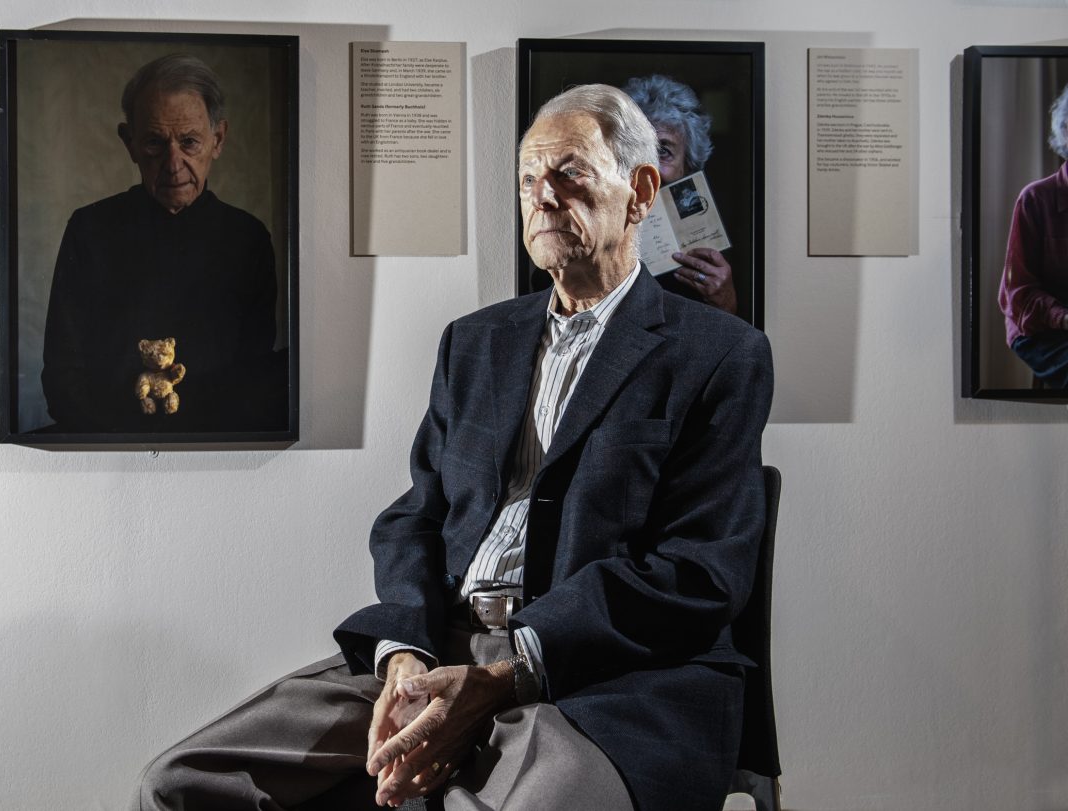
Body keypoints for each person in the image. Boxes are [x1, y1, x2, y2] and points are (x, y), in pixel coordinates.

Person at [134, 84, 773, 811]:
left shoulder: (719, 354)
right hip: (439, 648)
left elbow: (700, 571)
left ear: (642, 192)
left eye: (569, 172)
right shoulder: (476, 342)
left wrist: (511, 669)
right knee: (179, 783)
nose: (542, 195)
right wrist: (405, 650)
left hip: (608, 684)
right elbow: (415, 517)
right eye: (529, 178)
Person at [41, 54, 282, 433]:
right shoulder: (89, 229)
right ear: (130, 143)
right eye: (155, 142)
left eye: (189, 142)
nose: (173, 163)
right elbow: (62, 377)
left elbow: (254, 381)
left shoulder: (249, 239)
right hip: (110, 442)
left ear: (218, 140)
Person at [622, 74, 738, 316]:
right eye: (637, 150)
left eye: (663, 151)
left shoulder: (713, 249)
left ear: (688, 166)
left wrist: (725, 303)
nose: (649, 169)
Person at [997, 83, 1068, 389]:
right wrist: (1064, 318)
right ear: (1065, 132)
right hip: (1039, 329)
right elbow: (1018, 294)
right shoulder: (1035, 198)